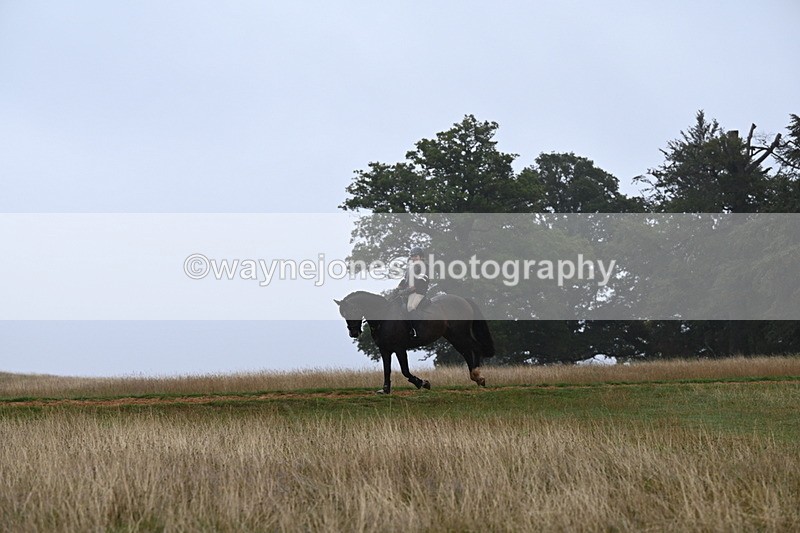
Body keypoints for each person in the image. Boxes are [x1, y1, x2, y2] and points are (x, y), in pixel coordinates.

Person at [396, 247, 428, 337]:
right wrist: (397, 289)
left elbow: (418, 283)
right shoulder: (410, 268)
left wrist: (406, 291)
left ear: (421, 257)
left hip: (418, 292)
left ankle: (417, 330)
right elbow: (404, 280)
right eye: (412, 256)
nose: (414, 258)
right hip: (409, 292)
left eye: (416, 256)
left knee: (410, 307)